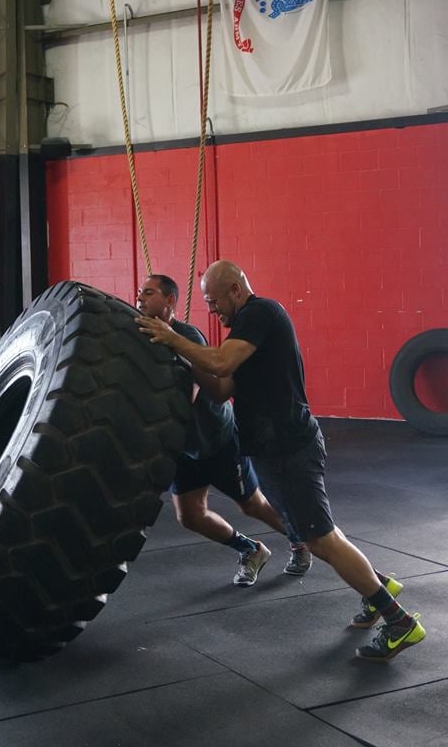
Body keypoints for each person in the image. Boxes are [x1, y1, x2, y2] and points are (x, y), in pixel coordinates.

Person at [136, 261, 426, 663]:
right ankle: (379, 590)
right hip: (274, 450)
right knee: (321, 535)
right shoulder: (244, 331)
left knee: (321, 540)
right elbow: (220, 389)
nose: (213, 310)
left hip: (289, 449)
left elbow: (219, 363)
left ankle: (399, 622)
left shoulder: (261, 312)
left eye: (215, 301)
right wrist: (186, 360)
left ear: (236, 289)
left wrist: (173, 339)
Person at [136, 273, 312, 587]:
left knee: (253, 504)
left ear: (170, 300)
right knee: (190, 516)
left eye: (149, 293)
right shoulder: (138, 341)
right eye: (140, 293)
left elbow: (186, 395)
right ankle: (251, 550)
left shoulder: (187, 335)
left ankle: (303, 541)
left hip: (217, 437)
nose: (140, 299)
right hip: (185, 446)